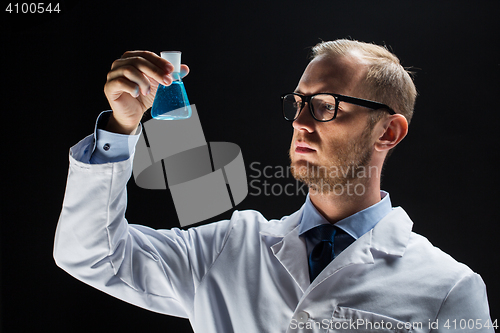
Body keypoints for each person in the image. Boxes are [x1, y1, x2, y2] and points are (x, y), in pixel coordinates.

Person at [54, 39, 494, 332]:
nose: (300, 123)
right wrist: (121, 127)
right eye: (298, 103)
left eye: (325, 106)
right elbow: (92, 253)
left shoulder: (449, 289)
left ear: (388, 133)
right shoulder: (227, 249)